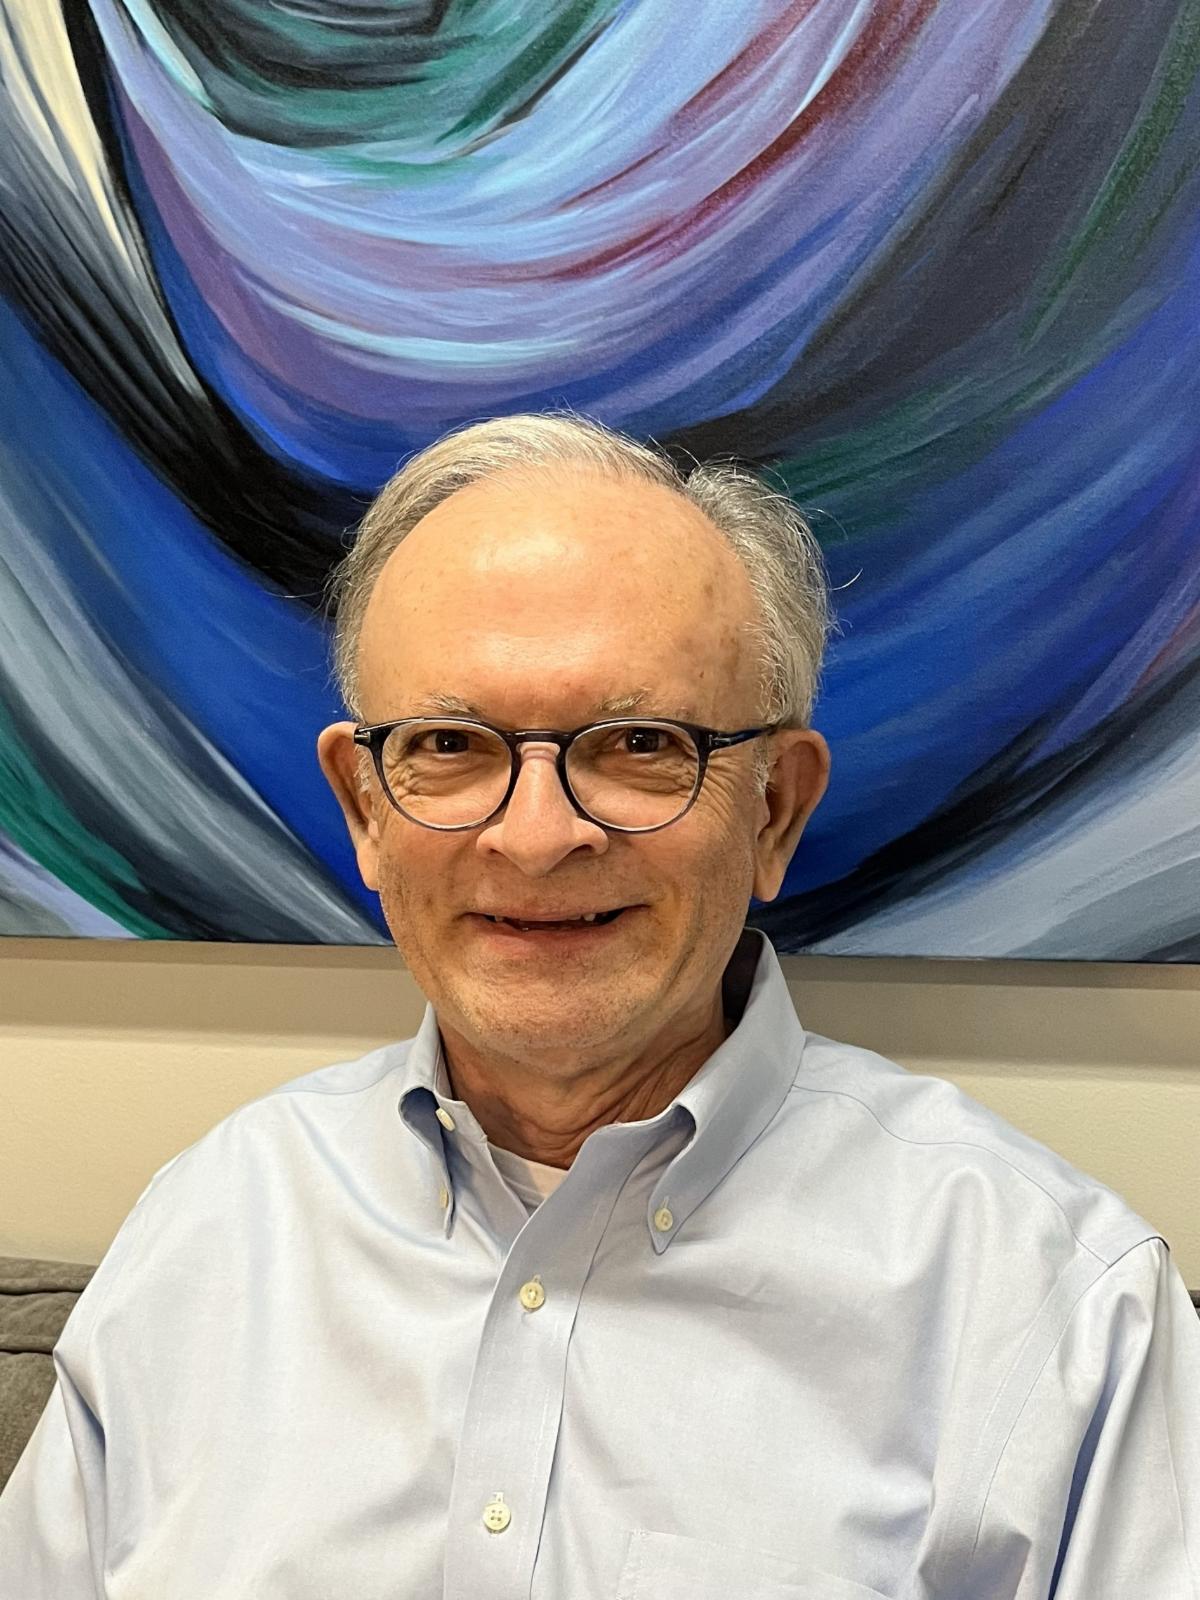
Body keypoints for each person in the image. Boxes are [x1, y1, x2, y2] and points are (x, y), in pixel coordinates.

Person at [1, 413, 1197, 1600]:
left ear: (774, 808)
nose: (536, 837)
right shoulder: (210, 1231)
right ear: (365, 808)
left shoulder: (1054, 1309)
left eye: (639, 741)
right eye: (451, 743)